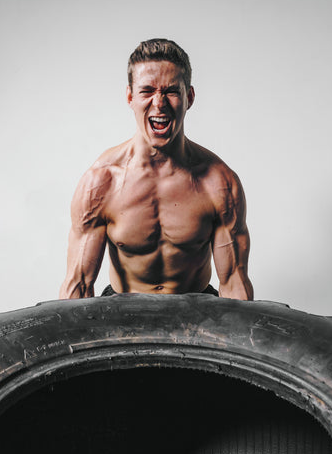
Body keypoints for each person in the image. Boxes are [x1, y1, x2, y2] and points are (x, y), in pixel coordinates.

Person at [60, 38, 253, 300]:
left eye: (171, 91)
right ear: (130, 96)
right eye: (147, 91)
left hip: (198, 313)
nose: (159, 103)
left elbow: (233, 284)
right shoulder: (102, 183)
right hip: (123, 311)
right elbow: (79, 285)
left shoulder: (219, 183)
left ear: (190, 98)